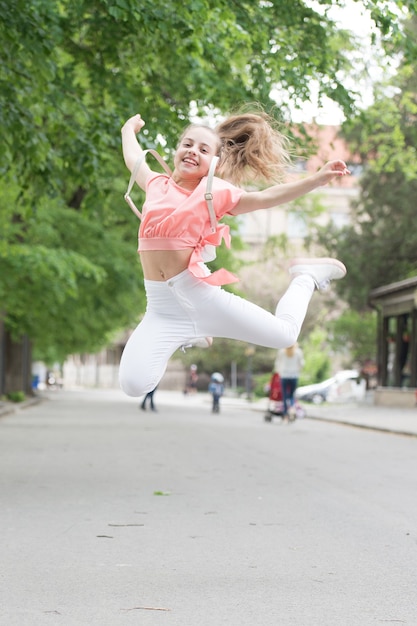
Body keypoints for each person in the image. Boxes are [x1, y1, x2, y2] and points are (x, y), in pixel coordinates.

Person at [119, 109, 349, 398]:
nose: (192, 152)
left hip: (201, 298)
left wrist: (315, 180)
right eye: (187, 144)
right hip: (162, 309)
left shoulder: (213, 193)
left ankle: (304, 277)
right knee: (133, 386)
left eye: (203, 149)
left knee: (285, 335)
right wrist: (129, 129)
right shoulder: (156, 185)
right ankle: (190, 334)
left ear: (213, 162)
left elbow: (264, 198)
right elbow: (132, 158)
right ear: (177, 150)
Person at [274, 343, 304, 421]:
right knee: (291, 395)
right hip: (294, 376)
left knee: (284, 395)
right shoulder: (298, 352)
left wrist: (279, 372)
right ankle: (292, 410)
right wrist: (297, 370)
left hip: (284, 375)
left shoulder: (281, 352)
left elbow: (277, 363)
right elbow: (301, 364)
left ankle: (285, 415)